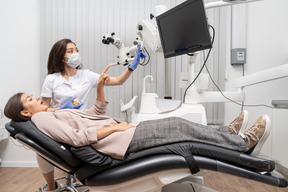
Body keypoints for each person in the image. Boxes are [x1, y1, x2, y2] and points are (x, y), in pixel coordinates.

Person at [5, 64, 270, 160]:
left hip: (122, 134)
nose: (37, 98)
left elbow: (94, 115)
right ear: (25, 113)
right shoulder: (42, 117)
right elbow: (77, 138)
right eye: (30, 99)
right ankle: (241, 144)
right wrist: (115, 128)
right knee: (179, 126)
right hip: (120, 139)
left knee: (179, 124)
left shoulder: (50, 112)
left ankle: (227, 133)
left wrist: (99, 89)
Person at [40, 38, 146, 191]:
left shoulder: (86, 75)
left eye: (76, 50)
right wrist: (62, 108)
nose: (75, 53)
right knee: (42, 147)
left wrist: (132, 66)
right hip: (60, 121)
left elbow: (118, 81)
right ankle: (51, 187)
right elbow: (43, 110)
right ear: (62, 57)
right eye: (70, 51)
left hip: (81, 121)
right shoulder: (51, 79)